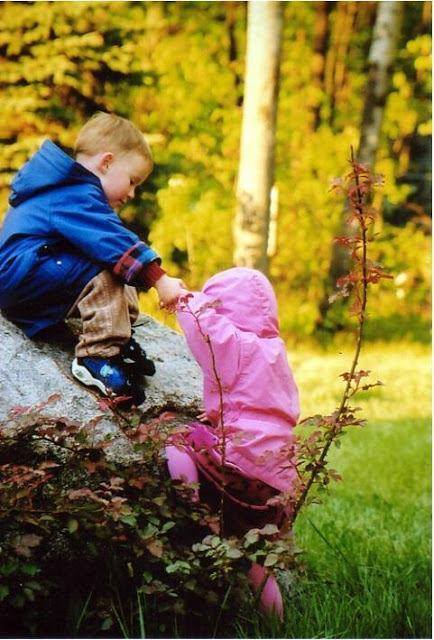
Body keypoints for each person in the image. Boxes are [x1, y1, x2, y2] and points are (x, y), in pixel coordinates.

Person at [0, 112, 184, 405]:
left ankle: (118, 340)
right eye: (132, 181)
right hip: (22, 276)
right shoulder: (74, 193)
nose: (132, 193)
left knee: (116, 265)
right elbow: (111, 239)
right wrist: (159, 279)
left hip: (31, 275)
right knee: (107, 267)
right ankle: (97, 356)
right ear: (106, 162)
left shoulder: (72, 190)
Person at [166, 267, 300, 619]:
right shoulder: (275, 351)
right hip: (277, 477)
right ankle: (277, 626)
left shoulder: (237, 344)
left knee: (177, 439)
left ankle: (191, 505)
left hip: (243, 460)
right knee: (256, 559)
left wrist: (182, 297)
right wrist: (219, 411)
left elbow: (202, 328)